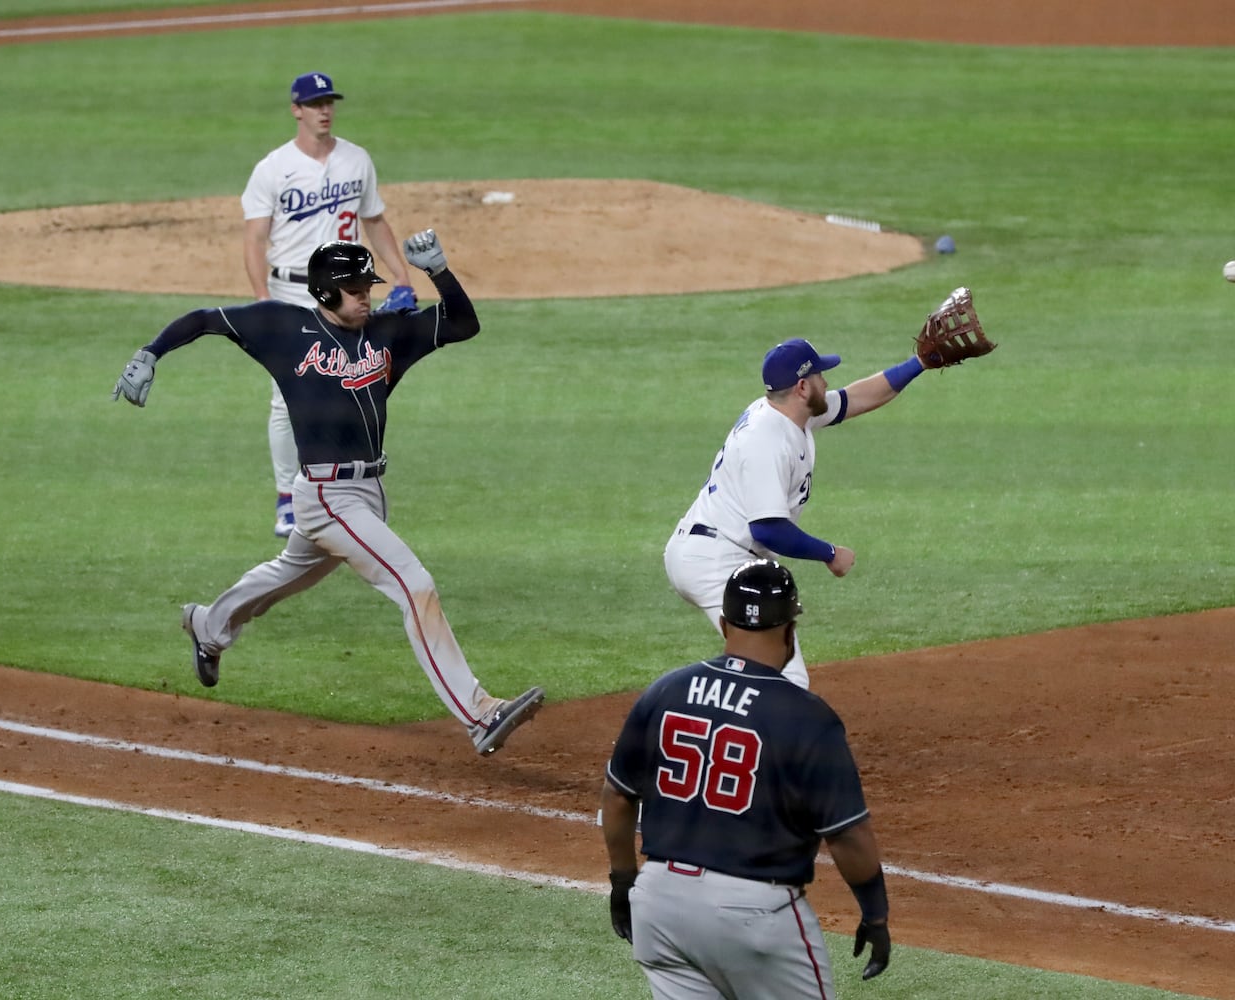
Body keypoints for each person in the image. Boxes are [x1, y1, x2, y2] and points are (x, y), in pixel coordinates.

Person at [111, 231, 545, 757]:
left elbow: (463, 323)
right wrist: (150, 353)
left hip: (368, 491)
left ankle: (210, 624)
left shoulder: (387, 334)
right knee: (414, 584)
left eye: (368, 284)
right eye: (355, 287)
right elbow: (207, 319)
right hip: (326, 495)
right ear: (323, 292)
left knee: (288, 572)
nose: (366, 294)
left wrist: (439, 271)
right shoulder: (283, 328)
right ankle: (478, 712)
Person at [600, 559, 891, 999]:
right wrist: (875, 913)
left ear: (723, 624)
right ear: (790, 630)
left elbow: (618, 799)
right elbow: (849, 836)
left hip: (658, 905)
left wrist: (623, 881)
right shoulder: (808, 717)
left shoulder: (666, 691)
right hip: (753, 914)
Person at [664, 337, 932, 689]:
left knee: (760, 665)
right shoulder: (767, 441)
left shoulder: (790, 412)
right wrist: (830, 554)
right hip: (714, 560)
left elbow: (858, 398)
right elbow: (768, 529)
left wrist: (920, 363)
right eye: (821, 375)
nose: (827, 382)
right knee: (786, 677)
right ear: (803, 387)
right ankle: (725, 725)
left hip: (720, 550)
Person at [243, 70, 419, 537]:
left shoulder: (356, 160)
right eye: (315, 103)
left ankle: (344, 489)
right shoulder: (273, 168)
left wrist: (401, 275)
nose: (325, 110)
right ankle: (287, 499)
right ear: (296, 109)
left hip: (347, 289)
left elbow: (374, 220)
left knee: (354, 382)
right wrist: (262, 300)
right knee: (286, 397)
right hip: (292, 291)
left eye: (329, 102)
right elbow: (255, 238)